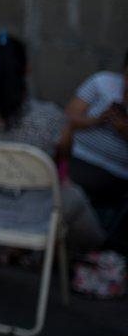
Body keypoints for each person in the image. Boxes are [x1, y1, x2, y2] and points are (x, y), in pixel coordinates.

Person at [0, 33, 105, 287]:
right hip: (30, 215)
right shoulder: (49, 118)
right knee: (73, 197)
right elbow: (64, 154)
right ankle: (95, 249)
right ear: (27, 68)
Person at [65, 50, 128, 220]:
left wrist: (123, 130)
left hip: (117, 177)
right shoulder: (103, 82)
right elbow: (68, 118)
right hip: (78, 160)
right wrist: (97, 120)